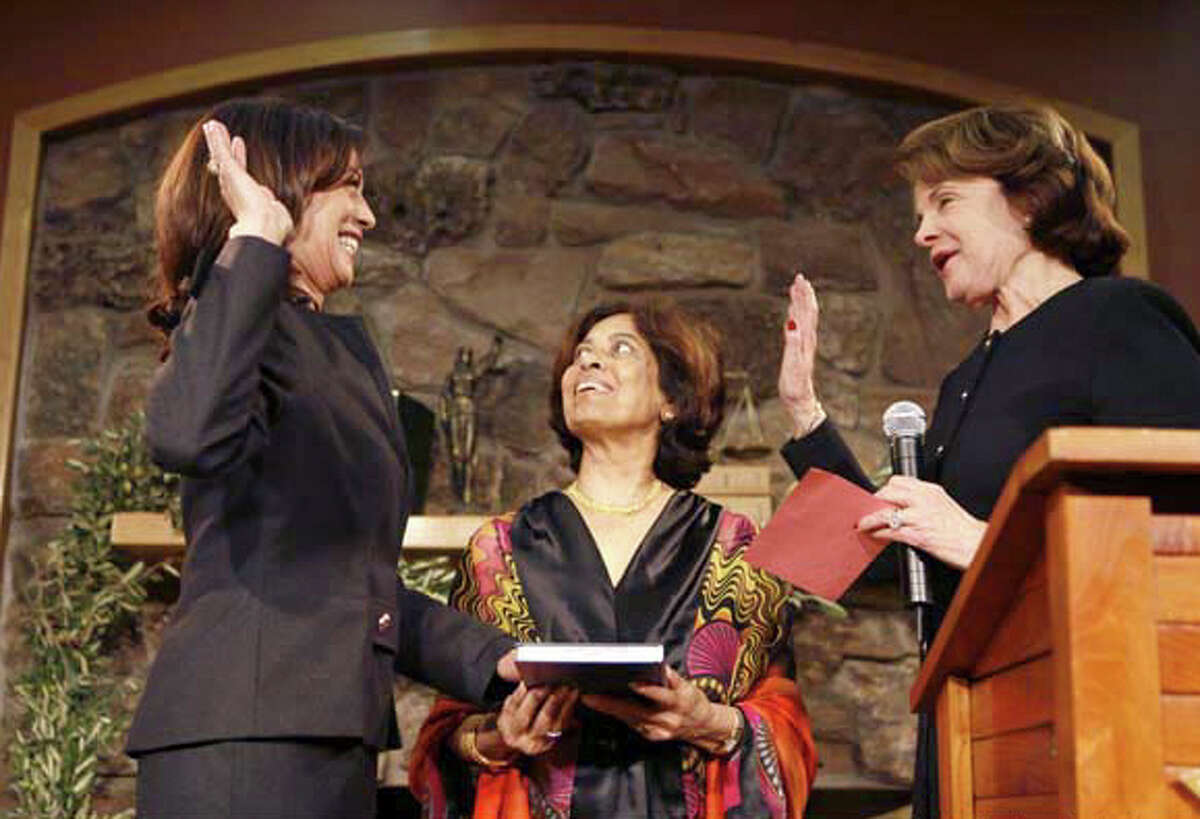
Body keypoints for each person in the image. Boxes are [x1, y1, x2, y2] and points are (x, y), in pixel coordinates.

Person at [777, 102, 1200, 818]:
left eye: (945, 201)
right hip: (971, 725)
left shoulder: (1120, 317)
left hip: (1089, 720)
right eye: (919, 211)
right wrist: (803, 412)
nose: (920, 232)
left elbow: (1179, 545)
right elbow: (888, 558)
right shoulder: (965, 377)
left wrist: (977, 541)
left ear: (1031, 199)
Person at [127, 98, 515, 818]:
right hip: (243, 741)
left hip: (327, 739)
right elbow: (184, 433)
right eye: (351, 188)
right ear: (282, 186)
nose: (368, 217)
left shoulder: (333, 351)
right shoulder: (234, 319)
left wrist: (496, 658)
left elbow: (355, 585)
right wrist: (257, 237)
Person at [409, 302, 818, 818]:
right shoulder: (498, 550)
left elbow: (784, 722)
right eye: (581, 356)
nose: (589, 364)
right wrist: (499, 738)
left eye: (618, 350)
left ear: (672, 398)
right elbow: (446, 735)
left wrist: (708, 723)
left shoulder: (736, 548)